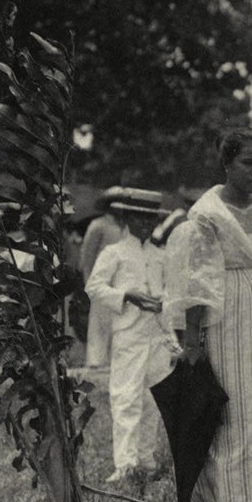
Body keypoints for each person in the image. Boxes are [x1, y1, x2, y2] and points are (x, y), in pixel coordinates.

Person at [164, 130, 252, 502]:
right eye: (248, 163)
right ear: (227, 164)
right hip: (225, 309)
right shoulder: (207, 214)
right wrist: (192, 339)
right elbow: (196, 282)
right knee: (232, 403)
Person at [85, 188, 175, 485]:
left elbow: (170, 292)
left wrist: (165, 307)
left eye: (151, 221)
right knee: (126, 397)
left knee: (153, 399)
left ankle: (146, 459)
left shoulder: (160, 255)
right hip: (129, 334)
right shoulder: (114, 253)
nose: (146, 226)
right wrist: (126, 295)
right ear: (126, 218)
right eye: (139, 220)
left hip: (157, 334)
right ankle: (125, 463)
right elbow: (94, 287)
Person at [78, 188, 127, 371]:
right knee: (99, 318)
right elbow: (87, 255)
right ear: (108, 204)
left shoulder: (126, 226)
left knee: (120, 319)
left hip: (121, 280)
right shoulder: (98, 225)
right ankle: (96, 359)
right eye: (116, 201)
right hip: (101, 279)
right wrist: (88, 281)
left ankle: (116, 359)